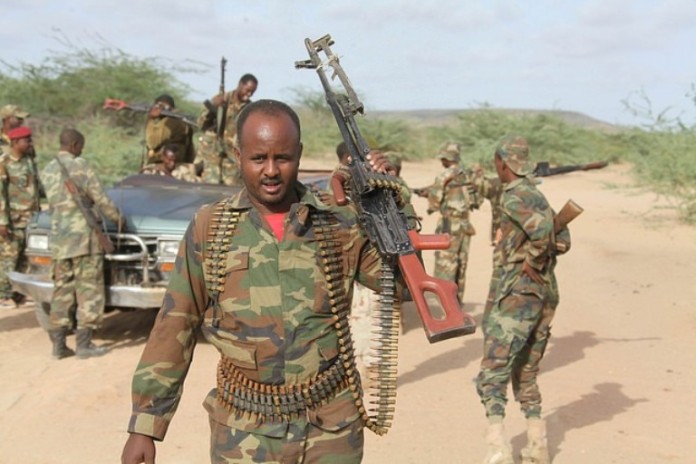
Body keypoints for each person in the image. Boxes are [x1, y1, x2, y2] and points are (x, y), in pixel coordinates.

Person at [121, 99, 402, 464]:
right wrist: (145, 425)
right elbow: (176, 323)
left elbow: (401, 287)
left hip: (330, 429)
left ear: (298, 154)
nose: (271, 171)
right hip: (243, 431)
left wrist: (390, 209)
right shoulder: (210, 228)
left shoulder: (338, 223)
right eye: (258, 159)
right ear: (239, 155)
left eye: (282, 158)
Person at [475, 135, 571, 464]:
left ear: (503, 162)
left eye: (496, 162)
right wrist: (541, 259)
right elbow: (562, 239)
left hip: (517, 295)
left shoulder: (515, 196)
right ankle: (537, 445)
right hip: (544, 293)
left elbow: (544, 235)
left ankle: (498, 448)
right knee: (526, 371)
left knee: (493, 371)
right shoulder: (538, 195)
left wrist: (530, 261)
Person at [41, 128, 126, 359]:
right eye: (81, 146)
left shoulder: (47, 169)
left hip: (60, 240)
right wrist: (119, 220)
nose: (82, 151)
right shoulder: (81, 165)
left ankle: (58, 346)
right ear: (75, 144)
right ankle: (84, 344)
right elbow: (101, 198)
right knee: (89, 291)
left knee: (62, 291)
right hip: (84, 240)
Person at [415, 141, 481, 304]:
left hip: (449, 226)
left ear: (446, 158)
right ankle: (458, 302)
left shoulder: (444, 176)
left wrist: (426, 196)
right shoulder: (467, 174)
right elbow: (475, 198)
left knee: (446, 265)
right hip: (465, 226)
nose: (441, 162)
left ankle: (446, 303)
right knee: (461, 264)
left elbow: (435, 201)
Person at [0, 126, 41, 308]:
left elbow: (36, 188)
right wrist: (2, 221)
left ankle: (19, 294)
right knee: (9, 257)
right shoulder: (5, 163)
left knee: (26, 257)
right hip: (13, 219)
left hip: (30, 217)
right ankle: (3, 294)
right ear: (15, 142)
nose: (30, 143)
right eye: (27, 140)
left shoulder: (29, 160)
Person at [196, 73, 258, 185]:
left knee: (232, 188)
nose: (248, 95)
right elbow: (201, 124)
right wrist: (213, 106)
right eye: (247, 90)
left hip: (232, 158)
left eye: (252, 92)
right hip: (212, 155)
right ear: (240, 85)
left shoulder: (249, 109)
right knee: (210, 185)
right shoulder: (221, 100)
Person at [144, 94, 195, 164]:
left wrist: (150, 119)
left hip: (164, 165)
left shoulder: (169, 122)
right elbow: (191, 153)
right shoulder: (181, 122)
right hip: (179, 164)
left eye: (159, 106)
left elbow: (152, 143)